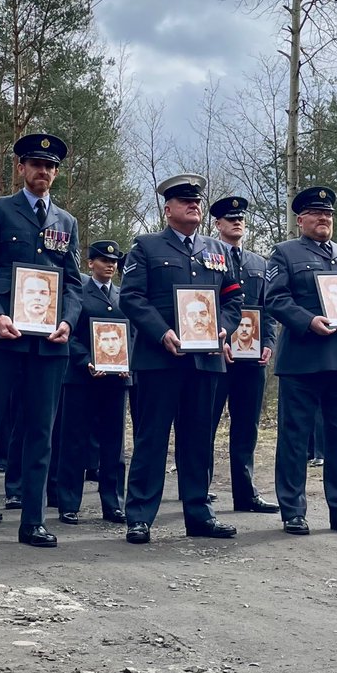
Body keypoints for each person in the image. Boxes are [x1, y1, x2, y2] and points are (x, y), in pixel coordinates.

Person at [0, 133, 83, 548]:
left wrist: (67, 321)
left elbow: (73, 283)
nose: (42, 171)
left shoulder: (66, 222)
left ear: (56, 173)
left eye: (49, 167)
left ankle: (32, 520)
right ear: (21, 168)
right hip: (1, 338)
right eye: (35, 164)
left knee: (40, 432)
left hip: (49, 343)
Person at [121, 174, 244, 544]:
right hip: (160, 360)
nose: (194, 204)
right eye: (184, 200)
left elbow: (234, 298)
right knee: (151, 438)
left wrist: (222, 328)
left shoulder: (217, 251)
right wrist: (162, 333)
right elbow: (132, 298)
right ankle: (140, 516)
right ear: (167, 208)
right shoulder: (145, 246)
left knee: (198, 439)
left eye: (197, 200)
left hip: (205, 361)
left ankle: (199, 513)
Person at [265, 186, 337, 538]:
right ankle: (294, 510)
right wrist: (308, 321)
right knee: (296, 438)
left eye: (327, 213)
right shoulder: (285, 253)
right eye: (315, 213)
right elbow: (275, 299)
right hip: (304, 359)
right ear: (301, 220)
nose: (323, 218)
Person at [208, 196, 278, 514]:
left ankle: (245, 493)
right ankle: (195, 488)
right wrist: (212, 338)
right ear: (218, 224)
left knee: (246, 426)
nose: (237, 222)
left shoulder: (259, 264)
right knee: (204, 423)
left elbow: (269, 307)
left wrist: (269, 341)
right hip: (215, 354)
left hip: (251, 358)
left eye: (241, 219)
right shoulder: (206, 257)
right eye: (230, 218)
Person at [56, 240, 130, 525]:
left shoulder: (123, 297)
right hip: (81, 378)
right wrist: (86, 358)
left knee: (114, 445)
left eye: (113, 261)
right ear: (90, 264)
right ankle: (69, 503)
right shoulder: (79, 295)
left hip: (116, 381)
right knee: (74, 442)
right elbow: (69, 334)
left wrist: (127, 363)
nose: (110, 265)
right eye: (103, 260)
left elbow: (131, 335)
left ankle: (113, 504)